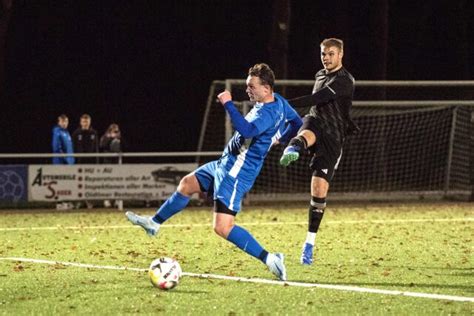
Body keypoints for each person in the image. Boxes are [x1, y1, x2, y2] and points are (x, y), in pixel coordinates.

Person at [126, 63, 302, 281]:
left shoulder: (268, 112)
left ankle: (271, 259)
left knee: (222, 227)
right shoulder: (281, 104)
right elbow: (297, 123)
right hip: (224, 164)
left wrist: (228, 104)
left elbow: (246, 130)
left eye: (252, 86)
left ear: (266, 88)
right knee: (187, 184)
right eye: (248, 85)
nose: (248, 90)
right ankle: (154, 223)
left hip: (236, 172)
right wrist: (281, 139)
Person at [280, 38, 359, 265]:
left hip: (333, 137)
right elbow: (315, 106)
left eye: (331, 53)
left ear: (341, 54)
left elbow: (318, 98)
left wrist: (284, 103)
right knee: (307, 129)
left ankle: (309, 244)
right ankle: (294, 146)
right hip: (314, 122)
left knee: (318, 190)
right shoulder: (319, 75)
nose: (326, 57)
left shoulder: (345, 80)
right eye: (323, 53)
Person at [100, 123, 124, 208]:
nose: (115, 132)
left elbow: (122, 148)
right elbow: (102, 146)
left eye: (116, 130)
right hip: (107, 162)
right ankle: (106, 199)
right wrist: (110, 138)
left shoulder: (119, 139)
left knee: (117, 181)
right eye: (113, 130)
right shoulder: (105, 137)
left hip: (117, 163)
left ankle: (117, 200)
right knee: (107, 181)